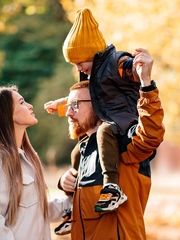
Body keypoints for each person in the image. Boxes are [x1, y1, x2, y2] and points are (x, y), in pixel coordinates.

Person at [57, 49, 165, 239]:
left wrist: (146, 84)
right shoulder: (82, 151)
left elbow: (151, 135)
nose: (68, 113)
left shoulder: (122, 143)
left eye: (75, 105)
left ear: (98, 103)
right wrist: (65, 183)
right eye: (68, 106)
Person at [45, 8, 140, 216]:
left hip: (123, 116)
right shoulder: (93, 72)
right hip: (108, 116)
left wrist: (137, 67)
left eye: (80, 62)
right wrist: (61, 104)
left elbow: (129, 68)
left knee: (104, 132)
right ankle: (73, 202)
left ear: (93, 54)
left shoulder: (114, 62)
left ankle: (112, 187)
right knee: (79, 151)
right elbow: (85, 97)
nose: (78, 67)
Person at [0, 85, 72, 240]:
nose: (30, 106)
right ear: (7, 114)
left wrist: (76, 199)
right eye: (22, 102)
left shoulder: (29, 158)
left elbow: (36, 210)